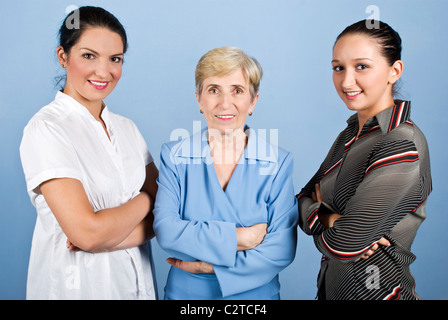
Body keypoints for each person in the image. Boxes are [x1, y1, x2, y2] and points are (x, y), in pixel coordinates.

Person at [19, 6, 158, 299]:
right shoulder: (47, 128)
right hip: (77, 288)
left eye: (115, 59)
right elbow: (87, 233)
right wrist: (146, 200)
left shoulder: (127, 129)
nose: (103, 71)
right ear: (62, 57)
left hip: (137, 287)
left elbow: (168, 216)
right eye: (88, 55)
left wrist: (110, 240)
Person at [297, 20, 432, 300]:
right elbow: (298, 201)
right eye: (338, 68)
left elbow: (345, 246)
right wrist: (331, 217)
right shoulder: (350, 133)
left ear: (394, 71)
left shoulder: (399, 143)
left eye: (362, 66)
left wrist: (321, 214)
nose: (347, 81)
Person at [153, 46, 298, 300]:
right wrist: (240, 237)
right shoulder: (175, 156)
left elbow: (281, 250)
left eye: (237, 91)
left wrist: (209, 266)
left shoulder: (277, 162)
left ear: (253, 101)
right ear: (199, 98)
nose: (224, 103)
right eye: (213, 90)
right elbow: (167, 231)